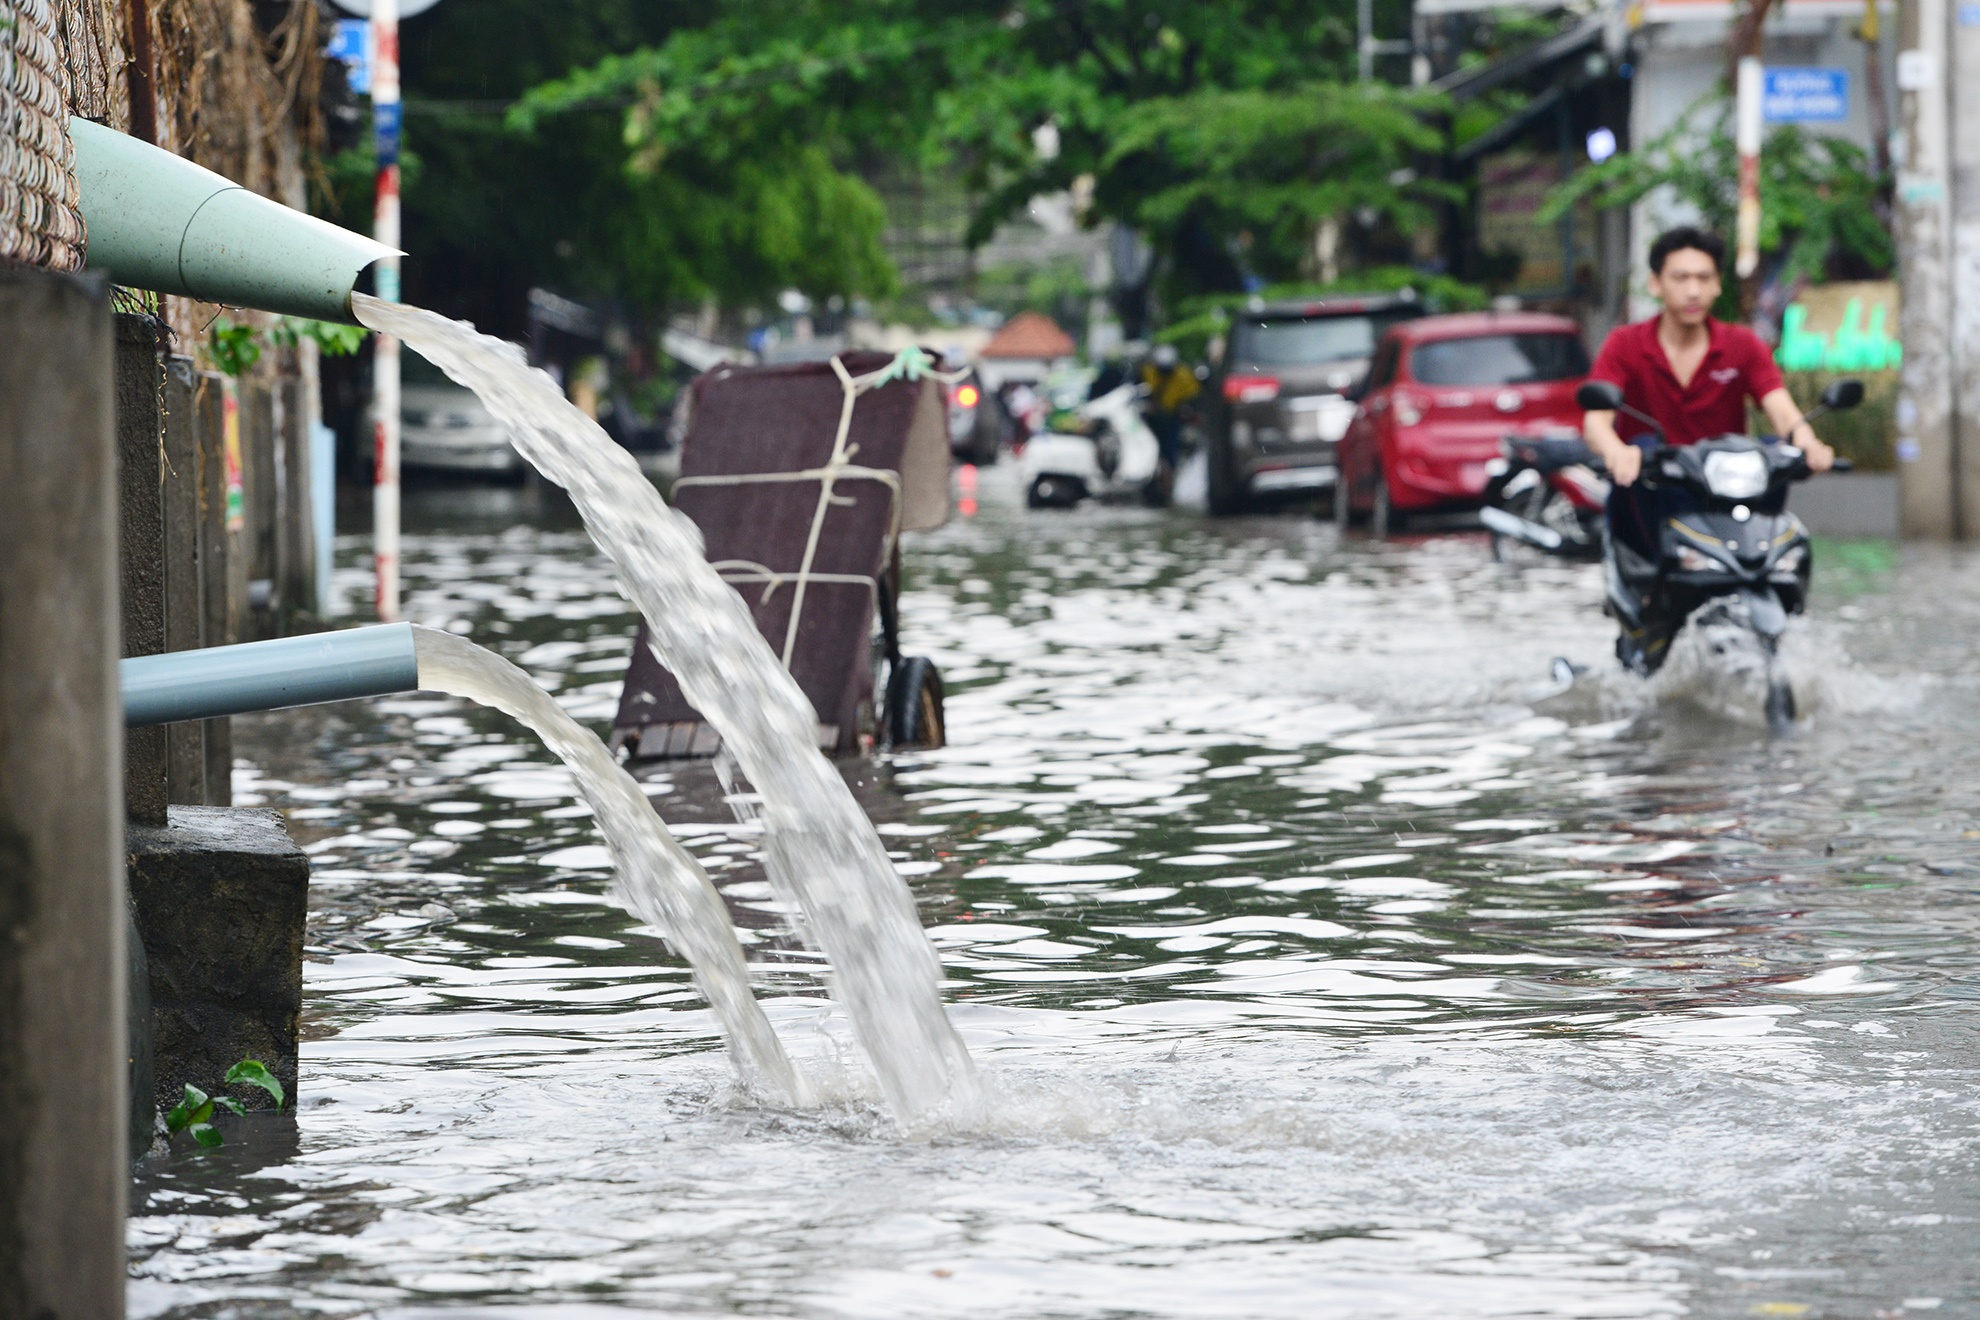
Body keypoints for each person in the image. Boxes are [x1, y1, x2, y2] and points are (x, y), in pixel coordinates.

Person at [1583, 226, 1835, 558]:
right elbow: (1595, 422)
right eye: (1681, 278)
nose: (1693, 290)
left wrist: (1807, 442)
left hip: (1727, 490)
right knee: (1640, 451)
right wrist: (1616, 451)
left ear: (1717, 285)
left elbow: (1782, 411)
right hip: (1653, 488)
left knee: (1777, 452)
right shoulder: (1625, 344)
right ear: (1656, 283)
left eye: (1704, 278)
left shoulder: (1742, 345)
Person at [1139, 343, 1200, 471]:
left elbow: (1193, 396)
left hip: (1172, 418)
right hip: (1151, 419)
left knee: (1170, 449)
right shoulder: (1148, 371)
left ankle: (1170, 472)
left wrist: (1184, 408)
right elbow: (1140, 390)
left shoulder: (1184, 375)